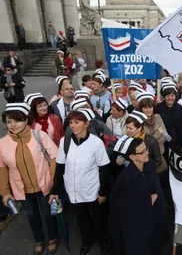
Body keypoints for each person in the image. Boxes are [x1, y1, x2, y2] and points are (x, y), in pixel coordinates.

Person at [0, 103, 59, 255]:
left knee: (48, 214)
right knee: (32, 216)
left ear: (26, 120)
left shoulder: (40, 136)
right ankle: (38, 240)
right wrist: (5, 192)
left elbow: (54, 158)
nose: (13, 125)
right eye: (9, 121)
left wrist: (53, 183)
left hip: (44, 185)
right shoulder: (2, 143)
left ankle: (53, 237)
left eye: (17, 120)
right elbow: (2, 169)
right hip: (22, 190)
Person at [50, 110, 110, 255]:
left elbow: (104, 169)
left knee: (98, 218)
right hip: (74, 190)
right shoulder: (65, 141)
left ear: (86, 123)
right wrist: (55, 190)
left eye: (77, 122)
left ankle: (103, 242)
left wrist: (103, 192)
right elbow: (60, 167)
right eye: (71, 122)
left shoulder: (96, 143)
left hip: (92, 189)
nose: (73, 126)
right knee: (82, 219)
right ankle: (86, 241)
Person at [109, 136, 168, 254]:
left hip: (153, 218)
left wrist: (156, 194)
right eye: (143, 151)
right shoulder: (124, 179)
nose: (147, 152)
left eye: (146, 149)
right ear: (132, 157)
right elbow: (120, 207)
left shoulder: (150, 164)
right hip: (136, 227)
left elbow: (156, 185)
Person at [137, 92, 170, 170]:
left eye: (150, 107)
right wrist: (159, 133)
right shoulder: (138, 122)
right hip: (145, 156)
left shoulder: (157, 117)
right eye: (145, 108)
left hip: (160, 154)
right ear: (141, 108)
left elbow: (166, 137)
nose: (148, 110)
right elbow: (143, 142)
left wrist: (151, 139)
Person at [156, 83, 182, 150]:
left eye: (172, 96)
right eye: (168, 96)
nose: (170, 98)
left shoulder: (179, 108)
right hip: (163, 141)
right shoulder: (158, 108)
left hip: (176, 141)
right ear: (164, 96)